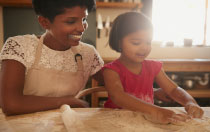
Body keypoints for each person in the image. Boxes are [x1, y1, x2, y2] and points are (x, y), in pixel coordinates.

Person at [0, 0, 104, 115]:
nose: (81, 28)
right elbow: (12, 104)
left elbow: (115, 83)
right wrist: (67, 101)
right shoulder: (19, 47)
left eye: (84, 19)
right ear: (44, 22)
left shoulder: (88, 53)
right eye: (71, 21)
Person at [102, 12, 204, 124]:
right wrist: (156, 111)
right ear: (119, 42)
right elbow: (118, 96)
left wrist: (190, 102)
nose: (144, 48)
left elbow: (173, 89)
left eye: (148, 42)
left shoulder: (153, 67)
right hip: (116, 122)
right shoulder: (111, 70)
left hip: (145, 122)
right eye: (136, 43)